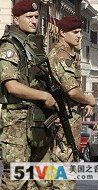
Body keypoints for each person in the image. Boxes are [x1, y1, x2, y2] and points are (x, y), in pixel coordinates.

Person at [0, 0, 58, 189]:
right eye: (29, 17)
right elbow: (12, 86)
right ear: (16, 19)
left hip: (38, 121)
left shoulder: (34, 46)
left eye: (36, 17)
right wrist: (44, 96)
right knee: (17, 179)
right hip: (17, 122)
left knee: (41, 179)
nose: (34, 21)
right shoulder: (9, 47)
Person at [48, 16, 96, 189]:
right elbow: (72, 91)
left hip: (71, 120)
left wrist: (84, 103)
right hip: (63, 122)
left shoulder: (69, 54)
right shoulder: (61, 56)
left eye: (80, 32)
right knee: (63, 172)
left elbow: (74, 89)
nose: (79, 36)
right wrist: (89, 99)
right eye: (75, 32)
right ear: (62, 33)